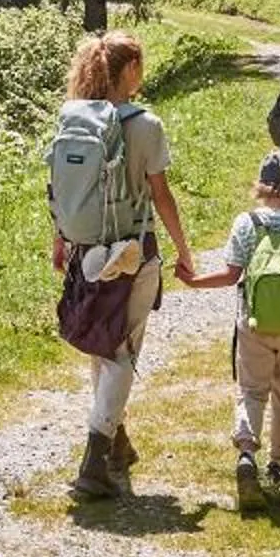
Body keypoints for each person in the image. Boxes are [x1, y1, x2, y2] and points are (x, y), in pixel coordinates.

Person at [49, 31, 195, 499]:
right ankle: (93, 463)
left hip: (86, 248)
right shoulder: (145, 125)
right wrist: (184, 251)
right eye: (141, 65)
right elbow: (161, 195)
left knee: (102, 348)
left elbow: (64, 188)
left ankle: (116, 444)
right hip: (132, 250)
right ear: (129, 69)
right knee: (121, 352)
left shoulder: (78, 118)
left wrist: (59, 238)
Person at [176, 150, 280, 512]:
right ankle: (278, 465)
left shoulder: (246, 223)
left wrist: (194, 281)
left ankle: (247, 454)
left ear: (262, 186)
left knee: (251, 389)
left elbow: (232, 275)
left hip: (253, 323)